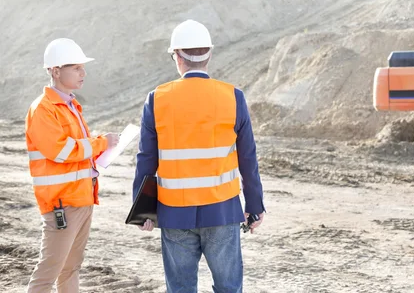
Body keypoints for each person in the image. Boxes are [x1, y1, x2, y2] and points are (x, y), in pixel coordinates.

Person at [133, 19, 265, 293]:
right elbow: (248, 159)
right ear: (209, 55)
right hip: (222, 211)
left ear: (177, 57)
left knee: (180, 289)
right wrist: (254, 204)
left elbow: (146, 160)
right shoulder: (233, 97)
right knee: (229, 288)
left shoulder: (157, 99)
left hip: (174, 214)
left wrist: (143, 210)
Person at [25, 38, 119, 292]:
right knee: (48, 273)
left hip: (81, 199)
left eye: (82, 67)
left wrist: (100, 153)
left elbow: (78, 151)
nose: (83, 73)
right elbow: (61, 151)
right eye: (76, 68)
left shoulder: (70, 106)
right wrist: (102, 142)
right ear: (56, 71)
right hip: (61, 205)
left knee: (70, 269)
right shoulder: (43, 109)